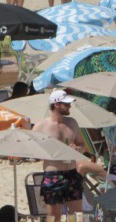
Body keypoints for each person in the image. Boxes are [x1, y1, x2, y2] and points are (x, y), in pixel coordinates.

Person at [32, 90, 88, 221]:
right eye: (66, 104)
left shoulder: (72, 123)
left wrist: (78, 149)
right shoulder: (41, 126)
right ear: (56, 104)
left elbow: (82, 144)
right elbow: (32, 151)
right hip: (53, 174)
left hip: (72, 172)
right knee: (53, 216)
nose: (69, 106)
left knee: (76, 214)